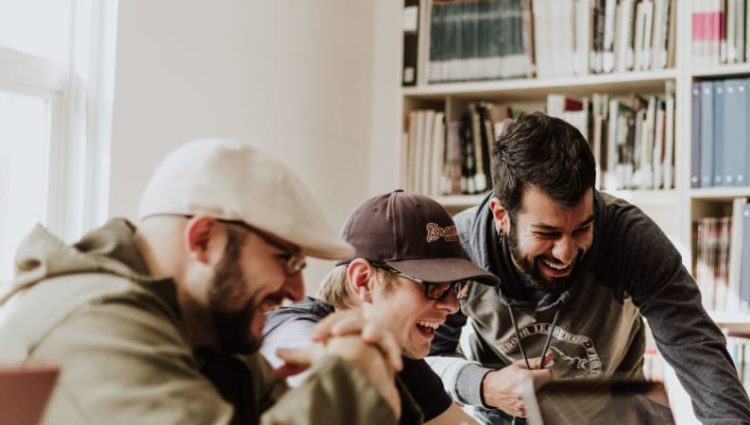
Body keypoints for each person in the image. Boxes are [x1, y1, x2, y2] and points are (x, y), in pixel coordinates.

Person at [0, 139, 417, 425]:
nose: (295, 289)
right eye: (286, 258)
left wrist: (372, 369)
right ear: (203, 239)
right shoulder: (93, 322)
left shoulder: (209, 331)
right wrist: (349, 378)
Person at [427, 112, 750, 425]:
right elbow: (423, 360)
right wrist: (485, 387)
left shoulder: (629, 238)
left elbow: (696, 347)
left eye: (582, 228)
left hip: (614, 416)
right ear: (501, 216)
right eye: (547, 233)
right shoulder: (461, 249)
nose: (566, 253)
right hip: (502, 418)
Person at [261, 190, 499, 425]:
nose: (452, 305)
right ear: (363, 280)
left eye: (457, 287)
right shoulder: (292, 330)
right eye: (433, 285)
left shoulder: (397, 350)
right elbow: (310, 360)